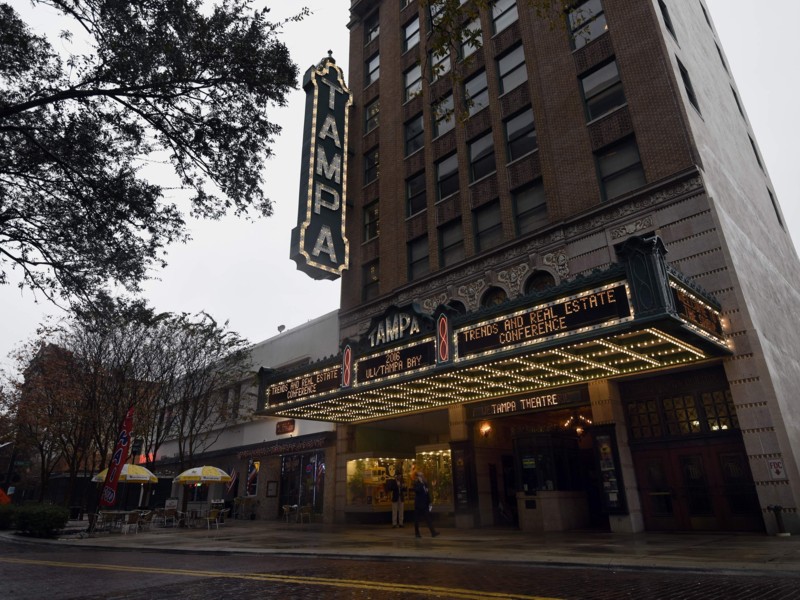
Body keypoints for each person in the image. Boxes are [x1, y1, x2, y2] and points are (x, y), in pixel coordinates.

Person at [412, 471, 439, 538]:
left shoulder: (425, 483)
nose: (422, 477)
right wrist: (421, 483)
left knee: (428, 518)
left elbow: (427, 493)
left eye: (422, 475)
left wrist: (429, 501)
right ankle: (417, 533)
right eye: (420, 476)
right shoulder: (416, 483)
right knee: (416, 519)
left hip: (424, 504)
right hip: (418, 504)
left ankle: (433, 532)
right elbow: (416, 490)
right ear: (418, 477)